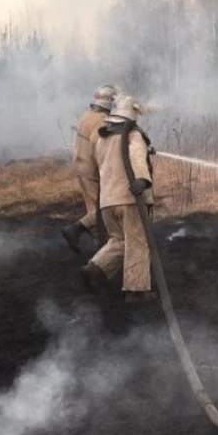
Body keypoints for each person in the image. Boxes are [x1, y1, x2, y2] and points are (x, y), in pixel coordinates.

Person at [80, 94, 156, 304]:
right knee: (137, 243)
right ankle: (136, 291)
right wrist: (142, 179)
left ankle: (94, 269)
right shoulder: (132, 135)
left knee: (119, 241)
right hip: (129, 200)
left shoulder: (101, 140)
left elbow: (108, 163)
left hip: (107, 202)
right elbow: (136, 155)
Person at [62, 84, 120, 254]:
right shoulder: (100, 120)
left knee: (92, 207)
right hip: (92, 169)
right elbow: (100, 144)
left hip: (81, 166)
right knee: (103, 209)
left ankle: (100, 244)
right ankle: (75, 230)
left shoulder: (86, 114)